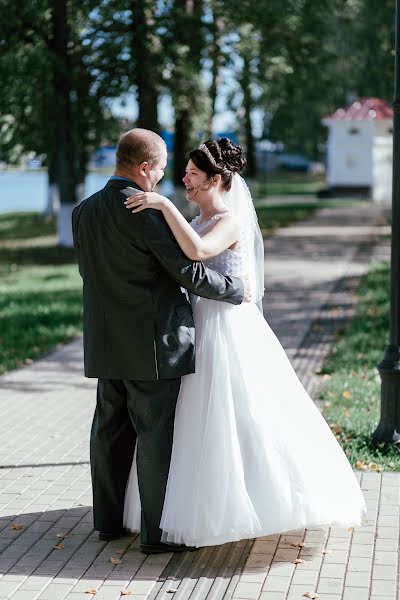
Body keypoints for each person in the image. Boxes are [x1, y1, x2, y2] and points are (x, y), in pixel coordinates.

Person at [123, 137, 366, 547]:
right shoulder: (195, 218)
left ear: (217, 179)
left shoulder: (228, 222)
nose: (185, 179)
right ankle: (191, 504)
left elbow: (199, 252)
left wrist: (162, 204)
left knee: (240, 412)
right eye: (184, 173)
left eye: (194, 174)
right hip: (195, 324)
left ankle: (255, 500)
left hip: (228, 325)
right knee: (192, 420)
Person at [71, 129, 245, 554]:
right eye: (164, 169)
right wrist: (235, 289)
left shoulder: (82, 212)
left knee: (108, 431)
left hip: (105, 341)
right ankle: (156, 534)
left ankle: (108, 523)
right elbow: (188, 272)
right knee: (154, 435)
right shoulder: (145, 213)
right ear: (145, 167)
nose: (165, 179)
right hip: (153, 343)